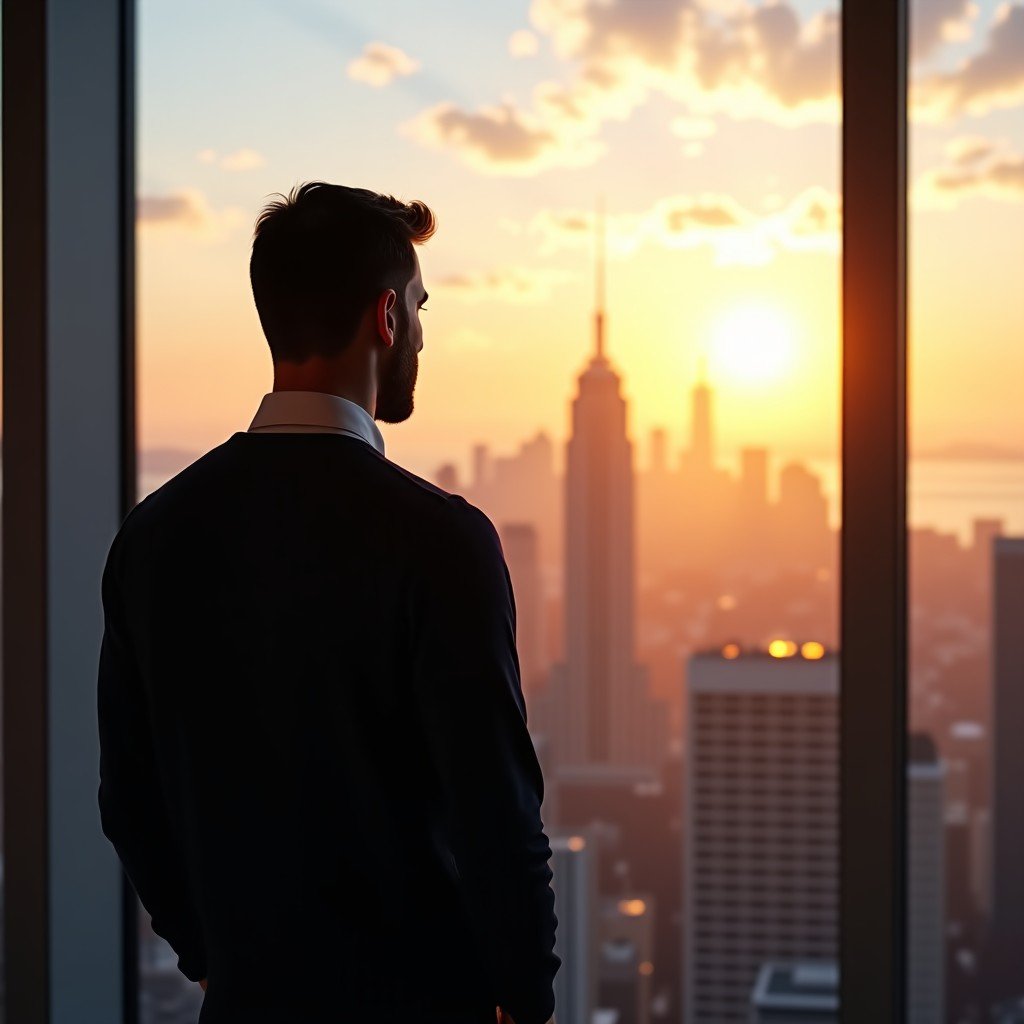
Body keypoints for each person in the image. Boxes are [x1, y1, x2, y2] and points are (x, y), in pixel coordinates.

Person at [96, 182, 559, 1024]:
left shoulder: (154, 535)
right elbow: (498, 815)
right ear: (387, 316)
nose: (423, 332)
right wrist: (527, 999)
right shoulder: (441, 541)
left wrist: (211, 959)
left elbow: (129, 800)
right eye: (420, 306)